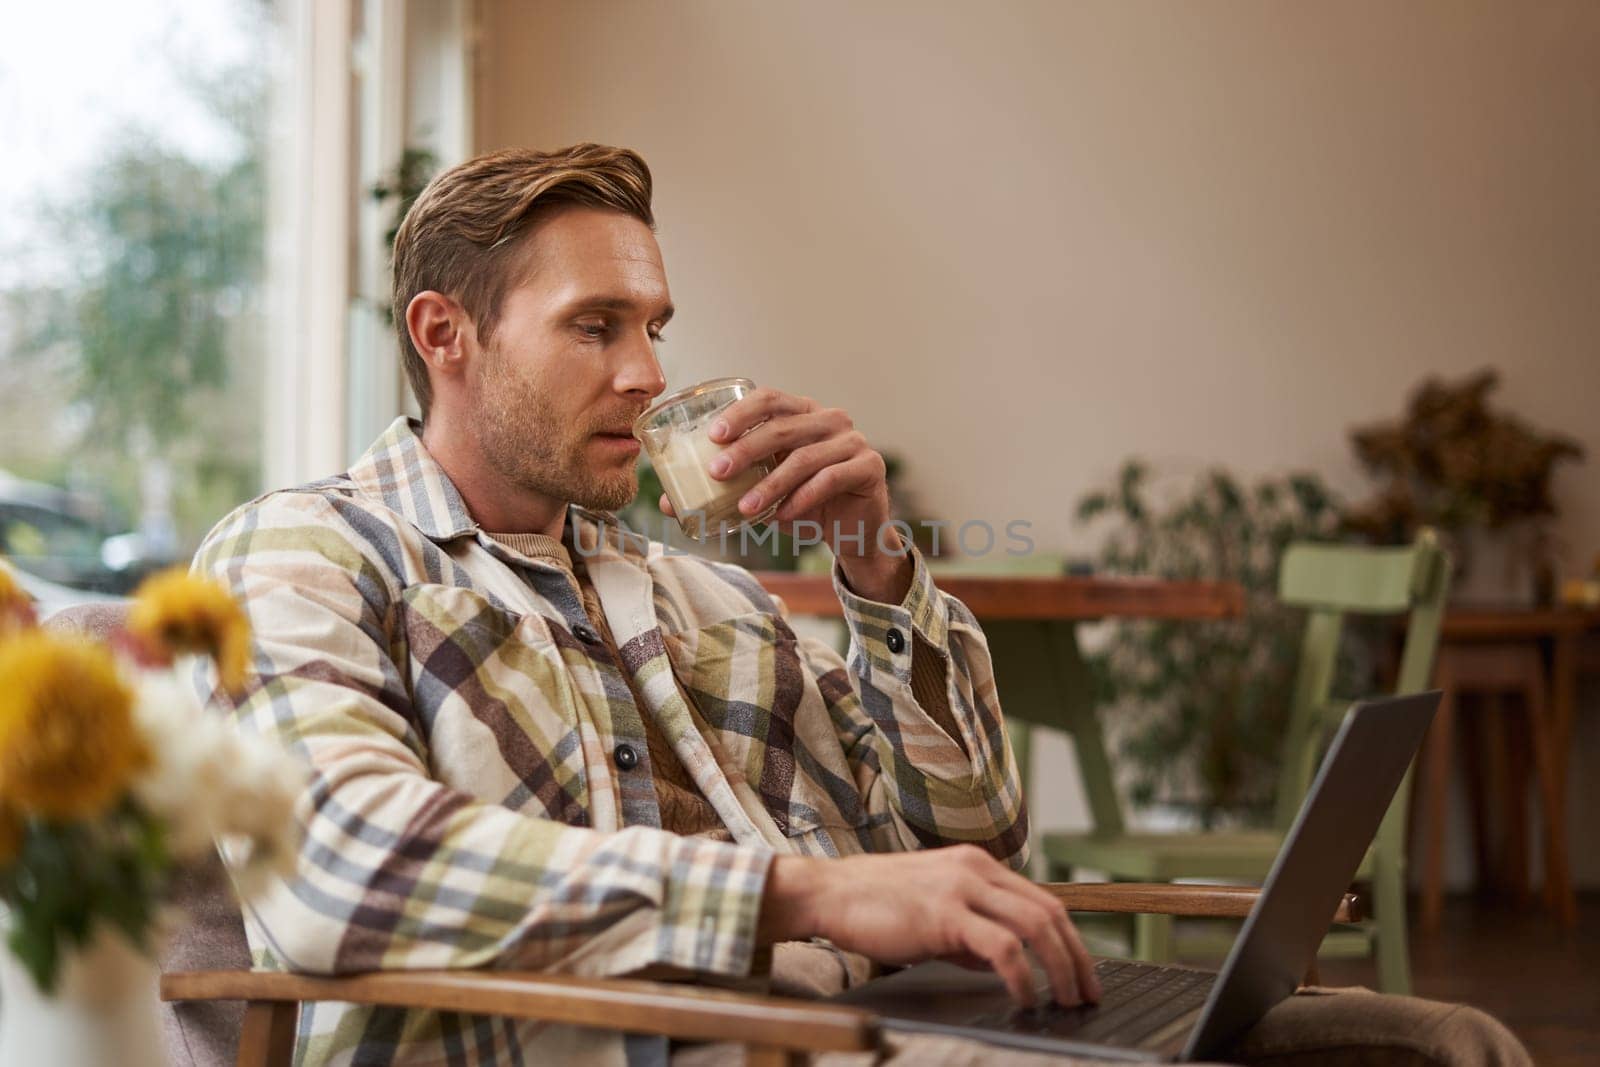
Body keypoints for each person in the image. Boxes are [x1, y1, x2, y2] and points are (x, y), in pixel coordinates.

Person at [192, 143, 1527, 1067]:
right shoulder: (307, 557)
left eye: (658, 325)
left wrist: (879, 574)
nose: (651, 373)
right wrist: (805, 895)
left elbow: (972, 839)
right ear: (445, 337)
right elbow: (339, 869)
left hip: (865, 1026)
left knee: (1442, 1045)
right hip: (633, 1046)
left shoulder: (702, 595)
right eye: (597, 327)